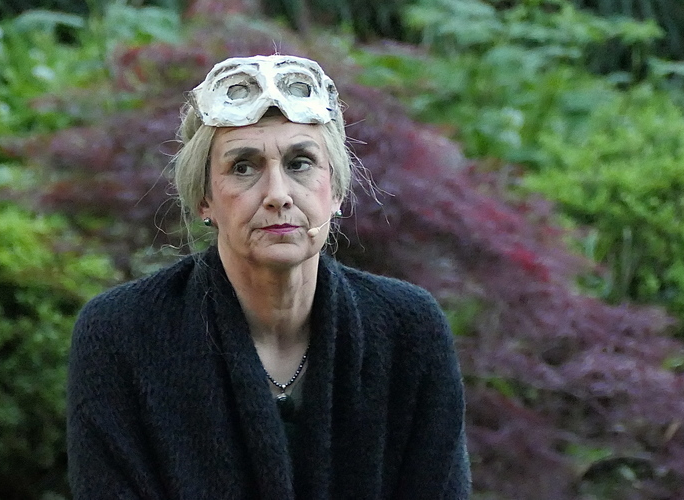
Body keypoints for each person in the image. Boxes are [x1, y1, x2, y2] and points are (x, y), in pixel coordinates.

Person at [66, 54, 470, 499]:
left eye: (300, 163)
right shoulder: (122, 334)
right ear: (204, 198)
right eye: (244, 167)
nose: (278, 195)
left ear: (336, 190)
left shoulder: (409, 330)